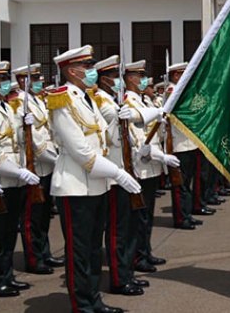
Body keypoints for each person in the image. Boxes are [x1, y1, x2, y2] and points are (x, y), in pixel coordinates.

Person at [48, 46, 141, 313]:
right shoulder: (62, 99)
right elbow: (82, 152)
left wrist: (122, 117)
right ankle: (83, 306)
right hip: (74, 185)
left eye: (91, 66)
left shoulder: (87, 98)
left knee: (91, 250)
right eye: (87, 67)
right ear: (71, 70)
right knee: (79, 251)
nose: (92, 72)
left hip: (96, 186)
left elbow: (105, 138)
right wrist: (117, 173)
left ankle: (94, 300)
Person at [0, 61, 40, 297]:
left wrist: (24, 125)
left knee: (9, 233)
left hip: (15, 178)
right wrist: (18, 172)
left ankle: (7, 275)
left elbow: (15, 142)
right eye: (1, 78)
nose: (6, 82)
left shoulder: (6, 106)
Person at [92, 55, 146, 296]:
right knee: (117, 231)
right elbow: (109, 139)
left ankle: (127, 273)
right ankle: (118, 278)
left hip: (125, 170)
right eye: (114, 77)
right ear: (103, 79)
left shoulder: (113, 100)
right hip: (113, 177)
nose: (118, 81)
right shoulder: (100, 101)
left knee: (128, 228)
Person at [122, 60, 179, 274]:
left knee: (147, 215)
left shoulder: (143, 100)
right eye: (139, 75)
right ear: (129, 78)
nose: (143, 79)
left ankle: (145, 251)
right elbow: (139, 141)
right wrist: (162, 157)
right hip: (141, 166)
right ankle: (138, 256)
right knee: (139, 216)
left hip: (151, 166)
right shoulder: (129, 102)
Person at [13, 63, 64, 274]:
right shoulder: (18, 103)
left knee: (43, 216)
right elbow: (32, 139)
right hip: (33, 166)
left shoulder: (38, 100)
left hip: (46, 166)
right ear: (22, 81)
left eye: (37, 79)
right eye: (32, 79)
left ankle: (45, 253)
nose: (37, 83)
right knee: (30, 218)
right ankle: (34, 259)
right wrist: (57, 160)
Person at [166, 62, 210, 229]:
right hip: (179, 145)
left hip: (188, 144)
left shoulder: (182, 91)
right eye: (184, 74)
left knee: (187, 184)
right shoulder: (172, 91)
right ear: (176, 76)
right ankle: (180, 218)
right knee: (180, 185)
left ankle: (187, 214)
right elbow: (186, 113)